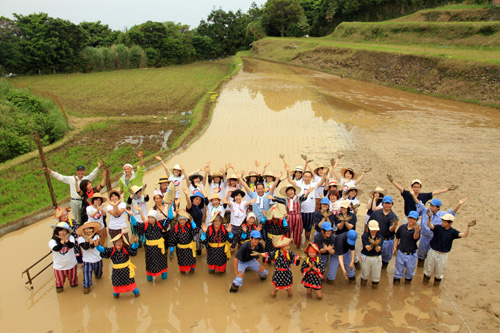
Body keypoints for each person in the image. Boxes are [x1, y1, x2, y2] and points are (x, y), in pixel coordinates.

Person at [423, 214, 476, 287]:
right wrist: (429, 217)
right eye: (442, 221)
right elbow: (429, 225)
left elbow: (464, 235)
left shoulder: (453, 232)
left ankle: (436, 287)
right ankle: (424, 285)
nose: (443, 223)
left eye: (445, 222)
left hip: (443, 255)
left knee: (439, 273)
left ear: (450, 223)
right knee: (428, 270)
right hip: (433, 252)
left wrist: (468, 227)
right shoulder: (438, 228)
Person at [415, 197, 468, 267]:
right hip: (424, 238)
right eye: (430, 205)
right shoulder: (425, 211)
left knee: (433, 257)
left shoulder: (443, 215)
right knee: (421, 256)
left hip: (435, 239)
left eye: (433, 206)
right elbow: (419, 204)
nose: (431, 207)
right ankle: (420, 269)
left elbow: (452, 212)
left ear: (438, 208)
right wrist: (413, 194)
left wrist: (459, 204)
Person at [286, 163, 328, 244]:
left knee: (308, 228)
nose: (307, 178)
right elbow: (290, 181)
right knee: (298, 228)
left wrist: (324, 174)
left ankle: (307, 241)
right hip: (299, 211)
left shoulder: (314, 185)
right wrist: (288, 172)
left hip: (310, 211)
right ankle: (298, 242)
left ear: (311, 177)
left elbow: (322, 181)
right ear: (303, 177)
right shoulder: (299, 184)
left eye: (309, 177)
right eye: (305, 176)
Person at [387, 174, 458, 218]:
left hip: (418, 218)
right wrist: (392, 181)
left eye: (418, 187)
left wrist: (447, 189)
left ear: (420, 188)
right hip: (408, 217)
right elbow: (400, 188)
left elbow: (435, 193)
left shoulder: (423, 196)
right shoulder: (407, 194)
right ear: (412, 187)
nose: (416, 188)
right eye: (415, 187)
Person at [96, 233, 140, 298]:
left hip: (127, 273)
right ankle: (116, 297)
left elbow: (133, 247)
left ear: (123, 243)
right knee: (116, 291)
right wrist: (97, 246)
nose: (118, 243)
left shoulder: (126, 249)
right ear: (115, 242)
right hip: (117, 274)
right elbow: (103, 249)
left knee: (134, 289)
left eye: (120, 242)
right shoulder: (111, 250)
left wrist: (136, 242)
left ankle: (137, 295)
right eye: (117, 241)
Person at [269, 183, 312, 248]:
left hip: (298, 218)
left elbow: (304, 197)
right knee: (287, 232)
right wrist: (273, 198)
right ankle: (285, 245)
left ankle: (298, 246)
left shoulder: (299, 199)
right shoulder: (286, 200)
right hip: (289, 217)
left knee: (298, 232)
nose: (290, 192)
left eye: (291, 190)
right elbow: (279, 199)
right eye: (288, 191)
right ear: (287, 193)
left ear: (294, 191)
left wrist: (308, 193)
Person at [131, 209, 170, 282]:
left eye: (152, 218)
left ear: (155, 218)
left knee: (162, 262)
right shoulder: (145, 225)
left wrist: (170, 207)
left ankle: (164, 276)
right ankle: (149, 278)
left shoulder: (160, 224)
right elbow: (136, 224)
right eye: (149, 217)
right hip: (150, 249)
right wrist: (132, 216)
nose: (150, 219)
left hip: (159, 248)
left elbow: (169, 219)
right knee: (150, 263)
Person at [369, 196, 399, 269]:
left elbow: (391, 230)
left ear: (392, 204)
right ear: (382, 204)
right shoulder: (375, 213)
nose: (387, 205)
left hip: (388, 241)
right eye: (386, 203)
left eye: (389, 203)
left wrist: (394, 226)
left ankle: (383, 271)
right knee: (374, 258)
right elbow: (369, 225)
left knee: (386, 260)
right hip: (376, 239)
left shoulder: (394, 217)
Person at [392, 211, 420, 285]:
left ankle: (407, 286)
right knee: (397, 272)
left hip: (411, 255)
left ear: (416, 220)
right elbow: (397, 237)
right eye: (411, 218)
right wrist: (395, 247)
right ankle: (396, 288)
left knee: (410, 273)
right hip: (401, 253)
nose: (412, 221)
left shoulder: (416, 230)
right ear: (407, 218)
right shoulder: (402, 227)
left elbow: (415, 238)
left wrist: (417, 231)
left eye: (414, 219)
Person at [49, 222, 78, 293]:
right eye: (61, 230)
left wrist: (66, 240)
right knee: (59, 284)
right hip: (59, 266)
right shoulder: (52, 241)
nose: (62, 232)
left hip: (71, 264)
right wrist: (62, 242)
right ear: (57, 231)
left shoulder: (71, 237)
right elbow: (56, 249)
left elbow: (71, 245)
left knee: (74, 282)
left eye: (64, 231)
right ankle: (60, 289)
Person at [224, 188, 255, 253]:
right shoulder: (232, 204)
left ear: (241, 196)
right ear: (234, 197)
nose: (238, 197)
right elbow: (228, 203)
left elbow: (247, 204)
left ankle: (240, 259)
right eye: (236, 196)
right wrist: (226, 200)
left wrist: (250, 202)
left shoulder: (244, 203)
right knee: (232, 246)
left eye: (239, 196)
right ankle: (232, 260)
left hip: (242, 226)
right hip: (233, 226)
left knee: (241, 244)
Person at [76, 221, 103, 294]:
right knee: (87, 277)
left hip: (98, 259)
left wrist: (89, 238)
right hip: (87, 261)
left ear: (93, 229)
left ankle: (98, 275)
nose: (88, 231)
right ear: (83, 230)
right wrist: (87, 239)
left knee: (98, 275)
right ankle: (86, 287)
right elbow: (85, 247)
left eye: (90, 229)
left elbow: (92, 246)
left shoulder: (97, 237)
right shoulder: (80, 239)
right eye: (86, 229)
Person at [360, 220, 384, 289]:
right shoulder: (364, 236)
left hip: (376, 257)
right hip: (366, 256)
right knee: (364, 274)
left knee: (376, 276)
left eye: (375, 230)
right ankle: (363, 289)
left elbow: (378, 249)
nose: (373, 231)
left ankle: (375, 287)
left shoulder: (380, 237)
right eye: (372, 230)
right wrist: (372, 244)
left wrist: (376, 245)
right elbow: (368, 248)